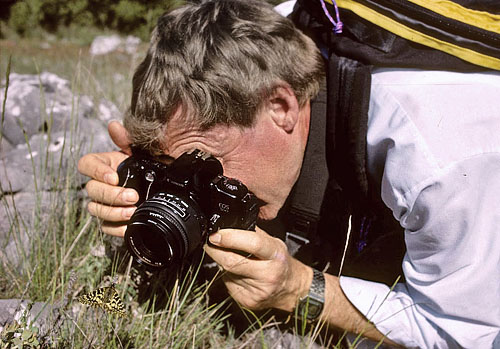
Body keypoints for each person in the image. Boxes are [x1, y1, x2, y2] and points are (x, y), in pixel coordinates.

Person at [77, 0, 500, 347]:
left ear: (281, 107)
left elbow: (462, 332)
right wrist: (145, 175)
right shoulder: (263, 40)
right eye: (180, 164)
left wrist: (301, 291)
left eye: (206, 161)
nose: (198, 179)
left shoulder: (434, 155)